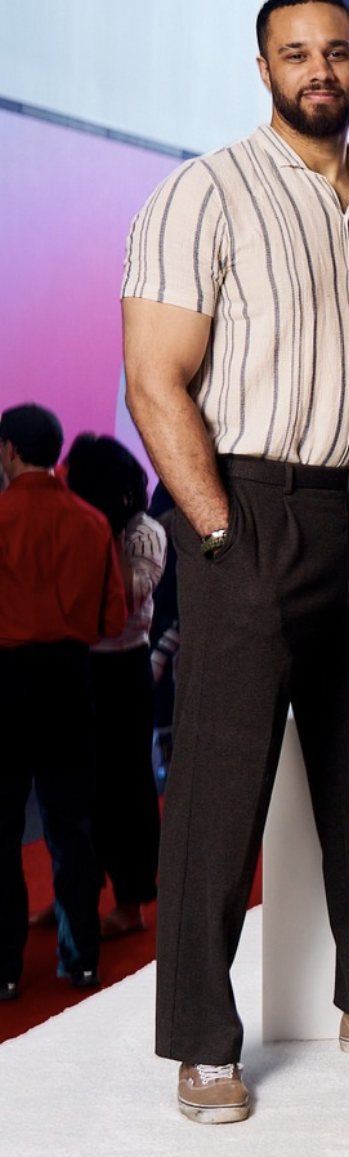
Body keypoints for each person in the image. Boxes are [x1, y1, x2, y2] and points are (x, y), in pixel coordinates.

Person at [121, 0, 349, 1123]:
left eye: (336, 51)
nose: (319, 69)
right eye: (295, 54)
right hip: (245, 504)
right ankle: (203, 1040)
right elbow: (153, 380)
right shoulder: (203, 192)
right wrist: (213, 528)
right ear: (263, 69)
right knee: (219, 784)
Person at [0, 405, 127, 1002]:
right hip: (72, 680)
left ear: (8, 451)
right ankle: (80, 963)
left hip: (5, 680)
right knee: (73, 828)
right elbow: (112, 620)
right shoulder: (92, 521)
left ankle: (3, 969)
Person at [62, 434, 167, 940]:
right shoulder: (81, 524)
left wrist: (106, 529)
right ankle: (78, 898)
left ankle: (133, 901)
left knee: (128, 788)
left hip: (126, 669)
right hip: (80, 664)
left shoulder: (144, 533)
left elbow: (123, 600)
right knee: (80, 788)